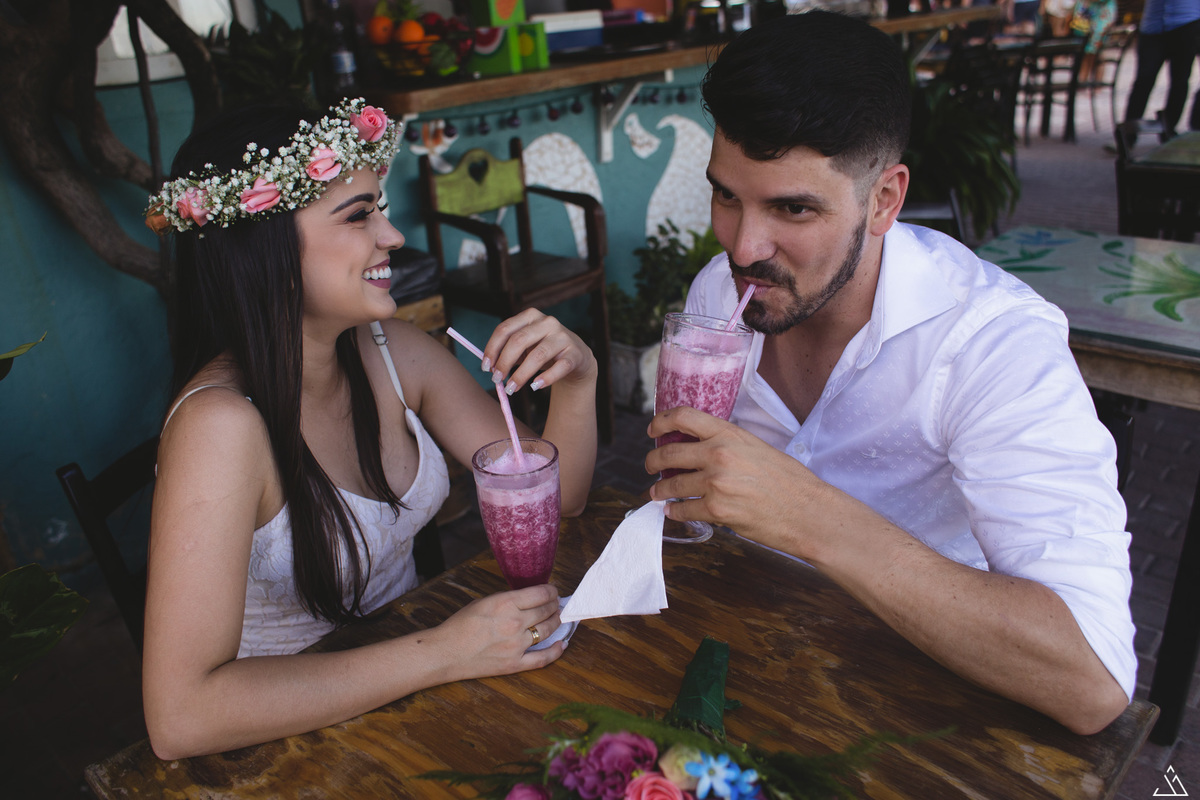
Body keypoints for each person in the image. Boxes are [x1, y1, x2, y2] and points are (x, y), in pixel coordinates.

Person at [647, 11, 1136, 735]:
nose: (743, 246)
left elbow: (1092, 681)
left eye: (792, 207)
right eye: (727, 195)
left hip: (927, 714)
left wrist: (810, 516)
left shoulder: (992, 342)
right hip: (744, 680)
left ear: (884, 200)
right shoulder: (719, 299)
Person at [141, 99, 598, 759]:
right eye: (359, 216)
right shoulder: (220, 428)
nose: (393, 236)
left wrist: (577, 380)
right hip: (287, 749)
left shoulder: (395, 352)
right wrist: (445, 651)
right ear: (262, 248)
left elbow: (562, 499)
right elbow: (182, 717)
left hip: (408, 699)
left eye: (379, 208)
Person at [1123, 0, 1200, 139]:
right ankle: (1128, 135)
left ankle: (1169, 129)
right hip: (1153, 25)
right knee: (1143, 80)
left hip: (1186, 23)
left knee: (1179, 80)